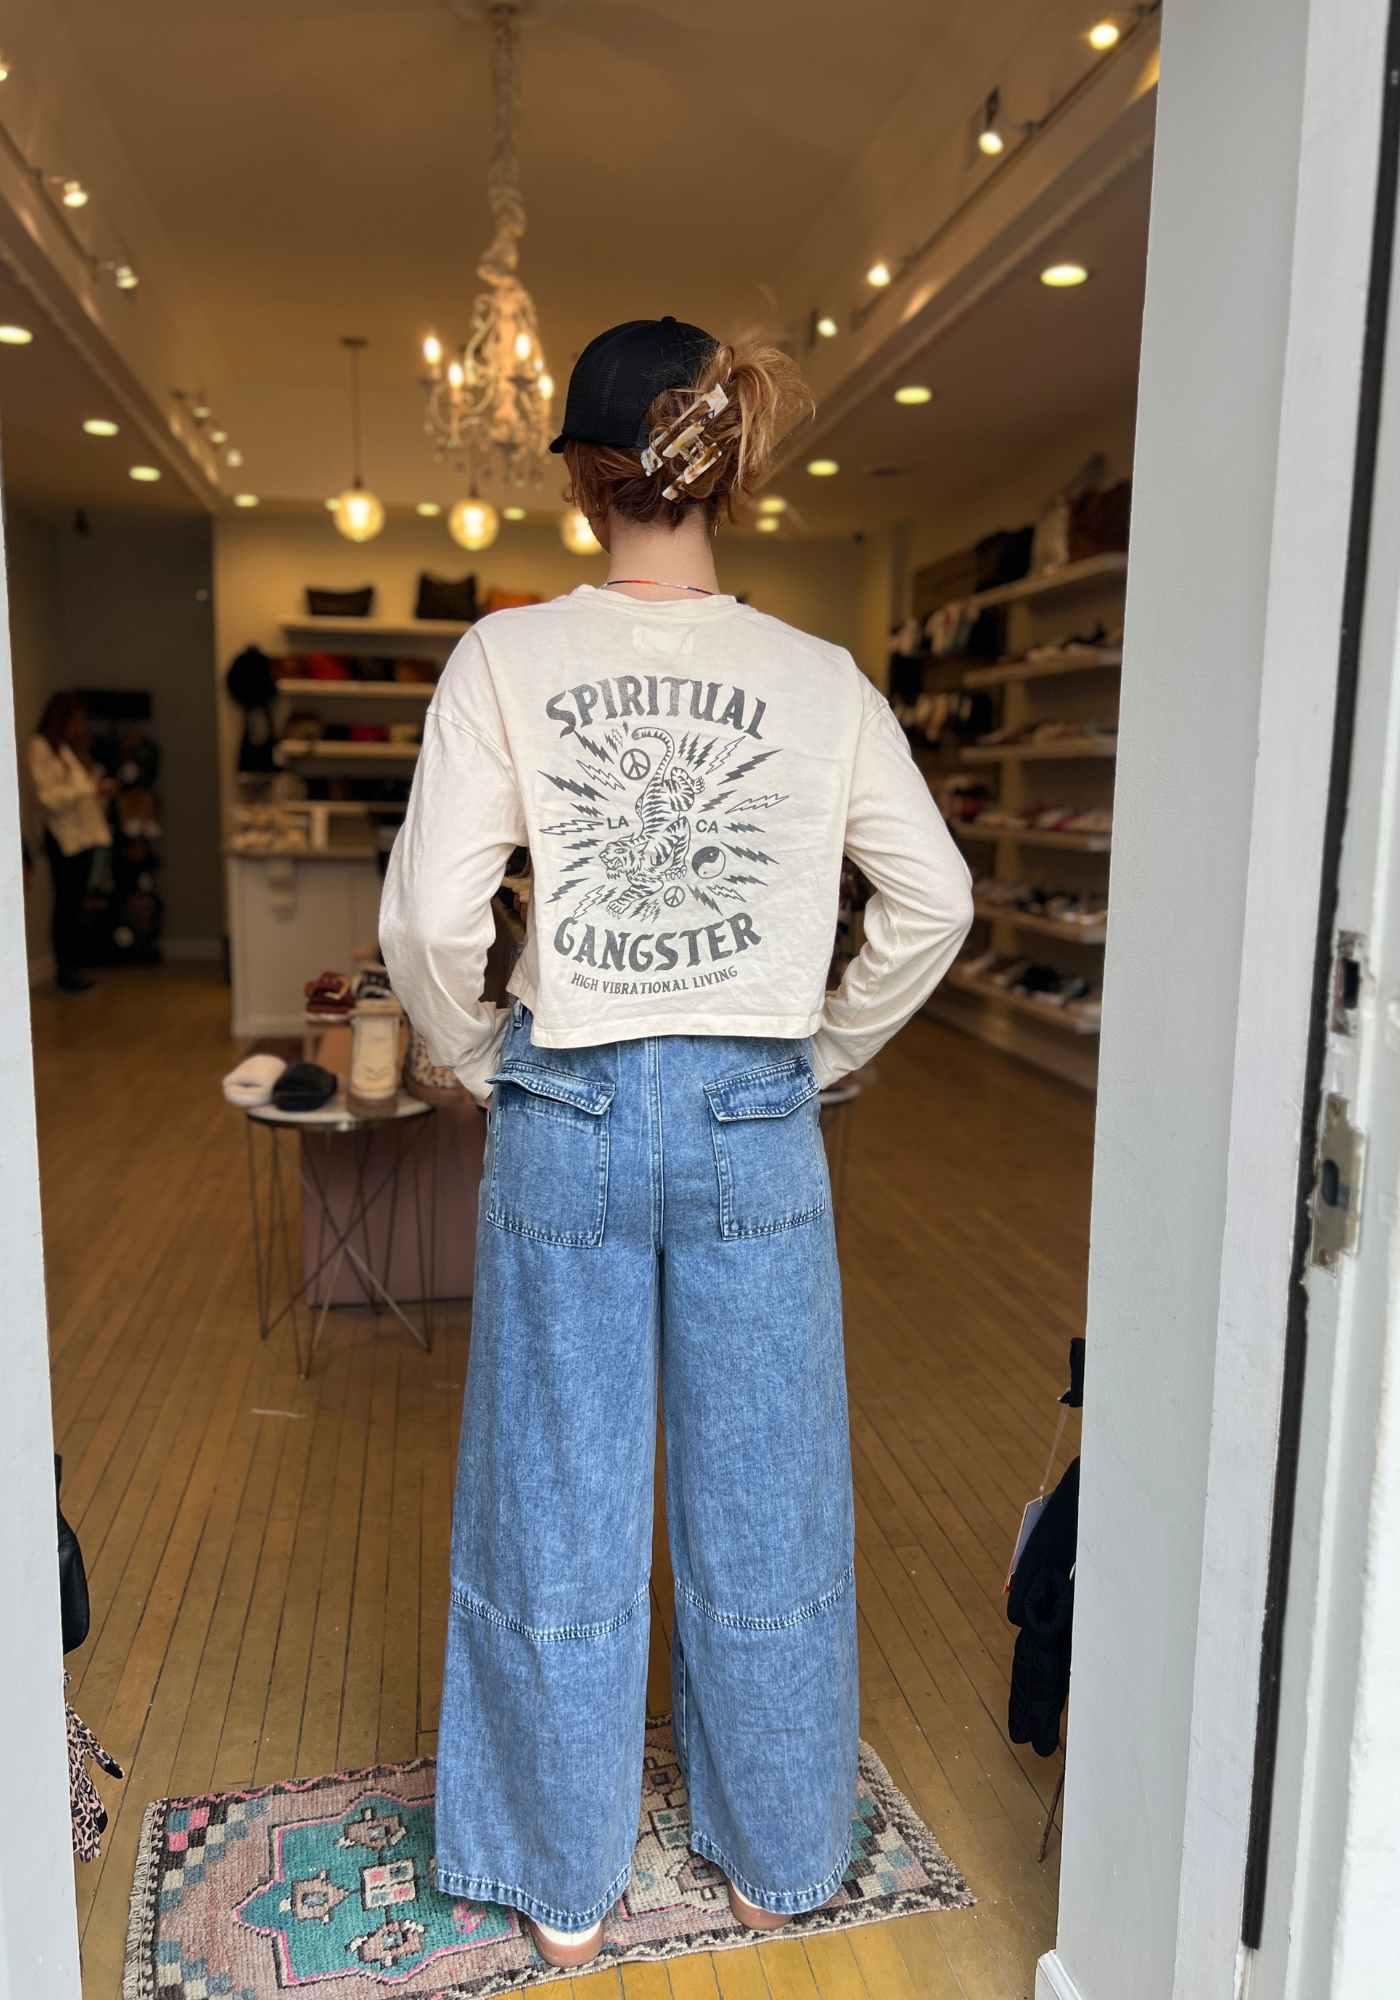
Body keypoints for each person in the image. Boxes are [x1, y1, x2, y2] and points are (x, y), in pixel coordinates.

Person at [380, 316, 973, 1968]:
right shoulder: (820, 678)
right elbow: (932, 901)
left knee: (554, 1497)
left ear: (583, 479)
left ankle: (559, 1884)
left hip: (565, 1101)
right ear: (731, 472)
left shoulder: (504, 658)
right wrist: (824, 1052)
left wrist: (466, 1051)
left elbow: (428, 920)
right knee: (766, 1494)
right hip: (752, 1113)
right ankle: (778, 1856)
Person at [27, 692, 113, 992]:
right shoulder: (38, 748)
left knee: (77, 905)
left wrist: (93, 788)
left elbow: (81, 788)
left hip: (84, 836)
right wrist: (87, 790)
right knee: (66, 906)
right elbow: (49, 798)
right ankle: (67, 973)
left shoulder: (65, 750)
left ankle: (75, 968)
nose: (79, 728)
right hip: (61, 838)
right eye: (75, 721)